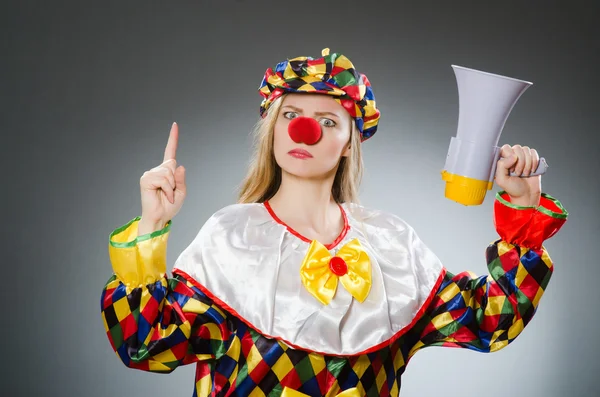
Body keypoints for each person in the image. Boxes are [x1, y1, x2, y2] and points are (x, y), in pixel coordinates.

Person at [100, 48, 568, 397]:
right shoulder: (232, 236)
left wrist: (524, 208)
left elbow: (491, 319)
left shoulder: (390, 242)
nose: (304, 130)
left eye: (327, 121)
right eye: (292, 115)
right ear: (275, 130)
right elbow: (144, 342)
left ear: (349, 143)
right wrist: (151, 224)